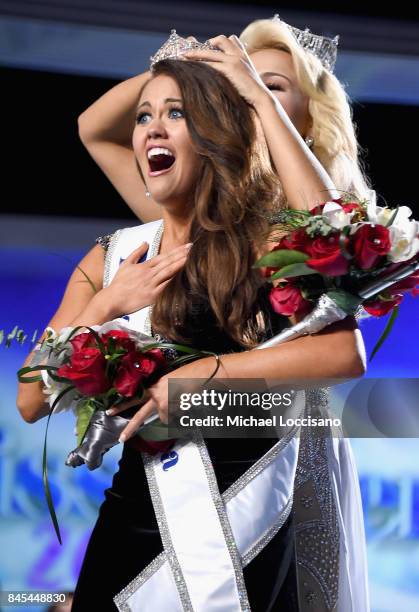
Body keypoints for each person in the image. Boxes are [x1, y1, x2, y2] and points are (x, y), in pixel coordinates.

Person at [16, 39, 368, 612]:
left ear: (213, 134)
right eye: (144, 116)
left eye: (176, 114)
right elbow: (30, 399)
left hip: (243, 514)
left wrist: (206, 373)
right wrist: (105, 305)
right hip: (134, 514)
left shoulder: (263, 242)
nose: (153, 128)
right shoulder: (111, 257)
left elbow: (344, 354)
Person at [77, 17, 372, 224]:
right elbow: (94, 130)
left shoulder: (347, 217)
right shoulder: (201, 208)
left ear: (313, 117)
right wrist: (177, 65)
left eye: (271, 86)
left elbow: (324, 233)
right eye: (237, 83)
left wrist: (260, 97)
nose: (246, 93)